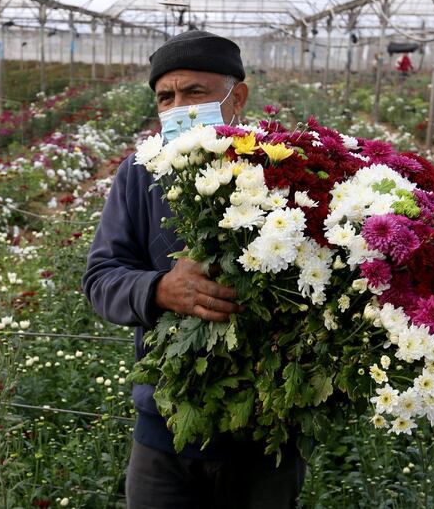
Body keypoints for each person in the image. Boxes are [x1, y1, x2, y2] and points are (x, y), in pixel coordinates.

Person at [82, 30, 305, 509]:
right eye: (167, 96)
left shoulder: (284, 171)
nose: (179, 105)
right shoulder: (139, 175)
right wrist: (160, 289)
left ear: (237, 97)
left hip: (266, 431)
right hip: (164, 432)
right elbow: (100, 279)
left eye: (195, 93)